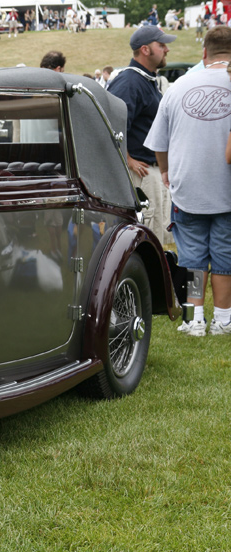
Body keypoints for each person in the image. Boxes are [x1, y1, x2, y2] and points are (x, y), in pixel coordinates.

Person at [146, 26, 231, 335]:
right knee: (225, 255)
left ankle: (194, 319)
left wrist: (166, 172)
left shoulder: (179, 86)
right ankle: (223, 319)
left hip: (188, 186)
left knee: (193, 255)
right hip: (227, 187)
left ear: (204, 52)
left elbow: (159, 141)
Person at [107, 25, 176, 248]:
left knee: (157, 236)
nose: (166, 49)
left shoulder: (145, 79)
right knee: (146, 239)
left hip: (152, 171)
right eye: (161, 45)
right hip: (141, 173)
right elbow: (110, 122)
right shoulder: (129, 81)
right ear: (145, 50)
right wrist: (127, 158)